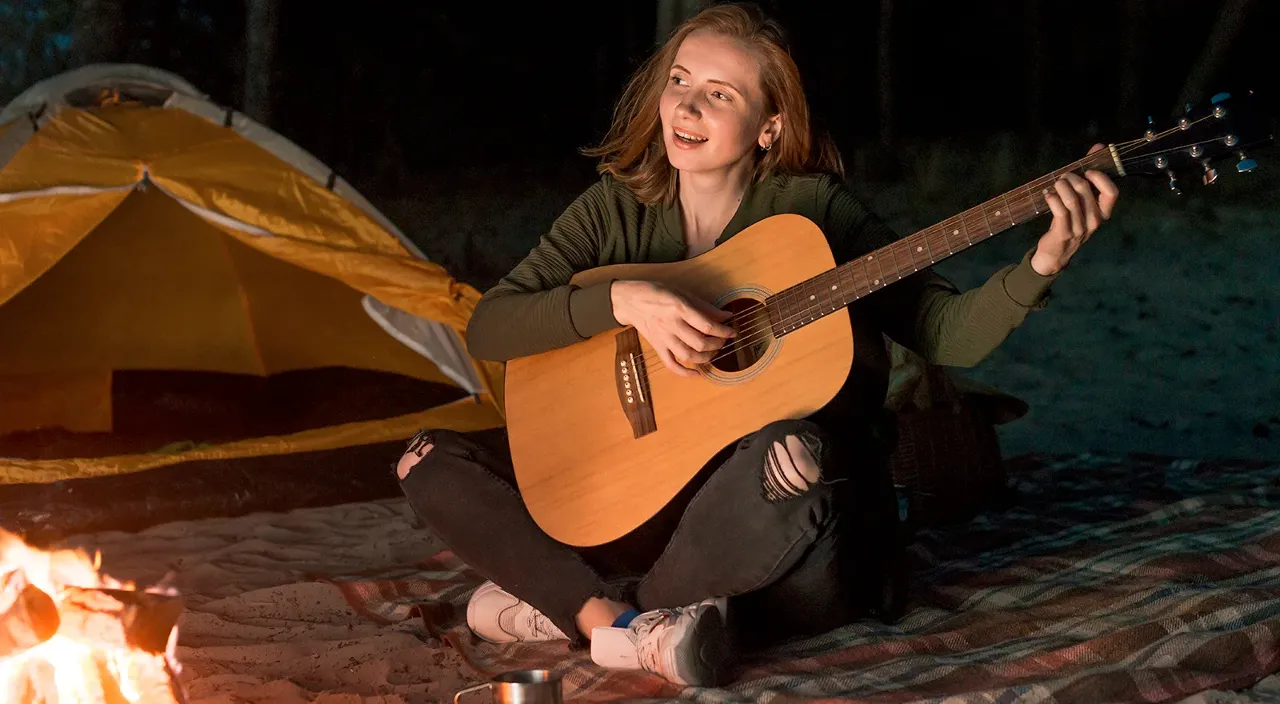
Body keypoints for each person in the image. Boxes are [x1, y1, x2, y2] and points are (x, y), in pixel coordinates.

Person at [394, 2, 1119, 689]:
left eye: (719, 94)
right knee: (428, 458)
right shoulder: (616, 206)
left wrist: (1042, 263)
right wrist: (621, 301)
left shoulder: (813, 213)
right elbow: (493, 324)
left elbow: (944, 336)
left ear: (769, 127)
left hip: (770, 523)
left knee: (790, 454)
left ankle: (569, 604)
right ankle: (614, 622)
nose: (686, 106)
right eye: (679, 82)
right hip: (634, 511)